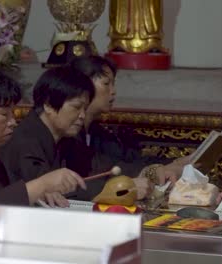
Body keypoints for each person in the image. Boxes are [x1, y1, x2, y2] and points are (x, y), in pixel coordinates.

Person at [67, 56, 187, 190]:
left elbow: (128, 160)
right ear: (83, 84)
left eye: (113, 84)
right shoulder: (68, 133)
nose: (113, 91)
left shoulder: (98, 132)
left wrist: (174, 162)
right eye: (106, 84)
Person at [0, 66, 96, 207]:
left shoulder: (66, 139)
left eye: (85, 109)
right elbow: (51, 190)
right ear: (48, 105)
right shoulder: (24, 142)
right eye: (76, 107)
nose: (82, 116)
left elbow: (92, 166)